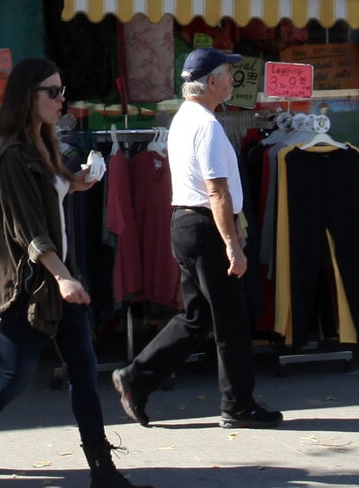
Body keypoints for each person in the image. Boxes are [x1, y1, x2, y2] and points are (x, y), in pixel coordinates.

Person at [0, 57, 154, 488]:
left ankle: (103, 474)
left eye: (61, 90)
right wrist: (64, 278)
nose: (60, 99)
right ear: (27, 97)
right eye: (52, 91)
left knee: (84, 372)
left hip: (56, 281)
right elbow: (28, 229)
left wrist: (74, 183)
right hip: (30, 286)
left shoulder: (42, 144)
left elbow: (48, 195)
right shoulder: (11, 154)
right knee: (13, 378)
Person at [112, 47, 283, 429]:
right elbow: (217, 190)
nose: (232, 80)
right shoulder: (205, 125)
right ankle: (238, 405)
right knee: (231, 320)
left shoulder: (186, 119)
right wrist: (232, 244)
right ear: (212, 82)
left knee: (196, 316)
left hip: (187, 223)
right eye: (227, 74)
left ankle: (137, 378)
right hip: (204, 226)